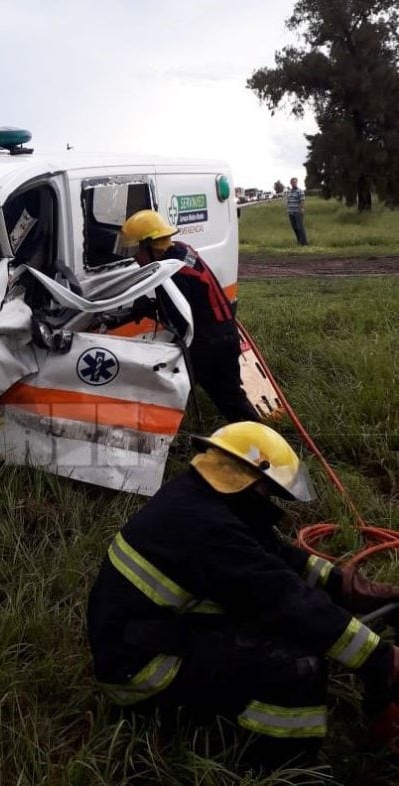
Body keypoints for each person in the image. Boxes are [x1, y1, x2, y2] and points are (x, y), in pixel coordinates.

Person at [87, 421, 399, 769]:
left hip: (147, 632)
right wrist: (379, 658)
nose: (268, 500)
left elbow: (275, 556)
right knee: (297, 664)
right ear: (248, 480)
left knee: (290, 626)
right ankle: (286, 767)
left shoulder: (200, 496)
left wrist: (346, 586)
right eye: (268, 490)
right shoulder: (211, 531)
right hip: (139, 671)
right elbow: (288, 601)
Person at [119, 210, 259, 423]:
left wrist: (151, 309)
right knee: (231, 397)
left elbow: (180, 324)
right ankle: (258, 440)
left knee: (167, 392)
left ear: (149, 245)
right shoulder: (181, 250)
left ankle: (258, 446)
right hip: (226, 331)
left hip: (208, 344)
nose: (133, 257)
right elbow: (191, 299)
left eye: (135, 249)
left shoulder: (169, 274)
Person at [287, 177, 308, 246]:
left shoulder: (300, 191)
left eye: (295, 182)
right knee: (295, 227)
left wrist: (300, 210)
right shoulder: (289, 191)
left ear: (297, 183)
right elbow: (289, 201)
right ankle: (299, 241)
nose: (294, 183)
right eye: (293, 182)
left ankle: (304, 243)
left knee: (300, 227)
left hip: (297, 212)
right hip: (290, 212)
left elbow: (302, 201)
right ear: (291, 183)